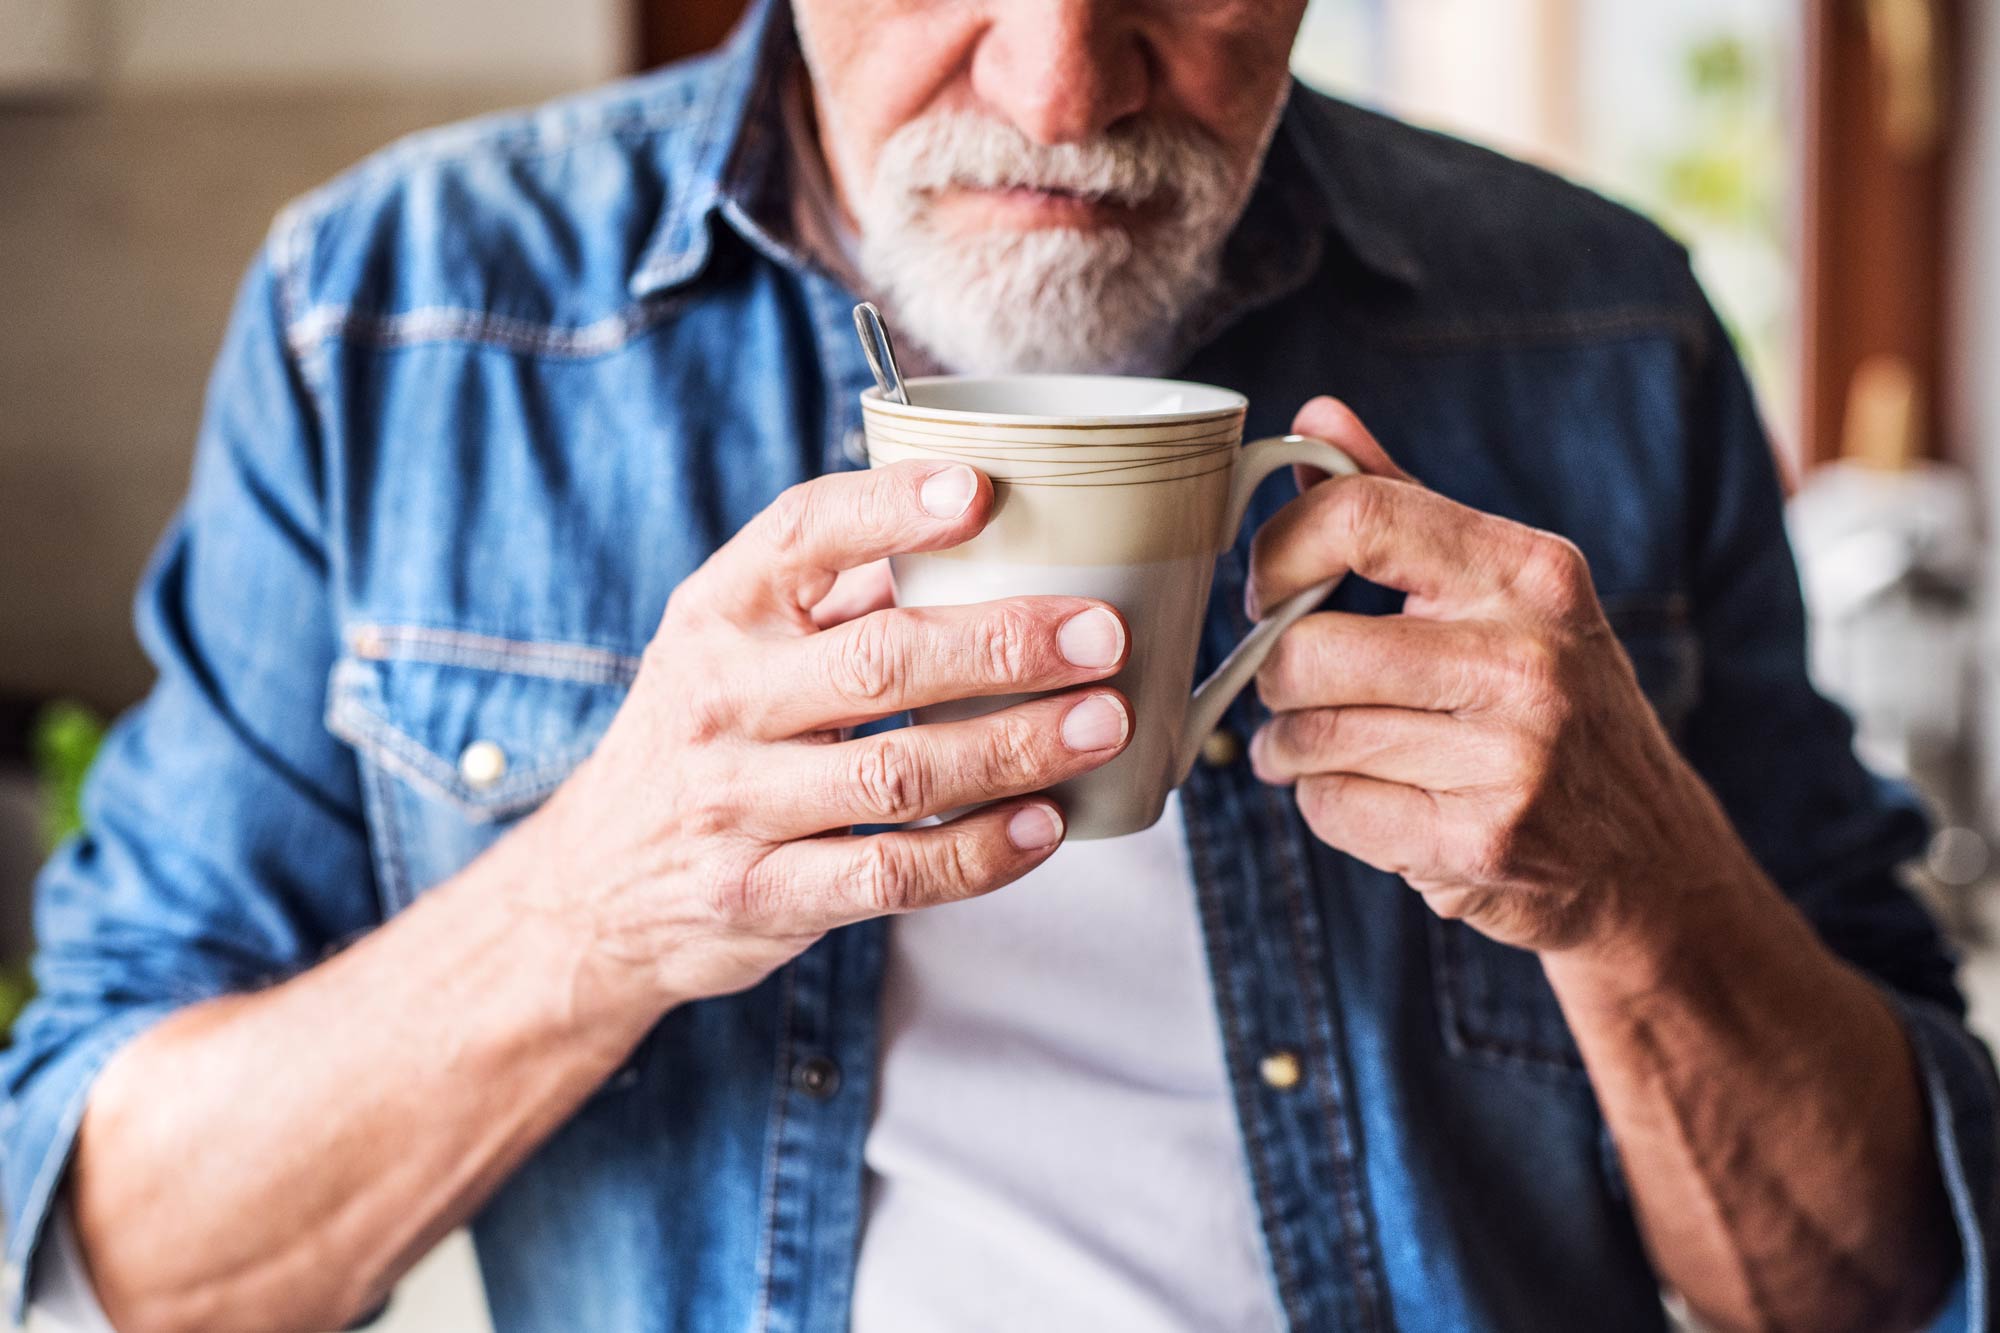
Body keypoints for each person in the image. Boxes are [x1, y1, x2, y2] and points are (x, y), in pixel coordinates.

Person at [2, 0, 1992, 1329]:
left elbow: (1883, 1273)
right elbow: (122, 1255)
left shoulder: (1602, 329)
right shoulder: (393, 321)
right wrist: (588, 909)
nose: (1063, 87)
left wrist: (1643, 906)